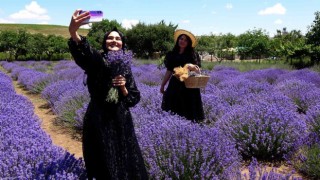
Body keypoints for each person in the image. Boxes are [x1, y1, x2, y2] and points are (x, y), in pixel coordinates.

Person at [68, 10, 148, 179]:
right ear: (105, 42)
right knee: (102, 157)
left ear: (122, 43)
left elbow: (134, 97)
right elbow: (87, 53)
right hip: (99, 117)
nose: (114, 41)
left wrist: (123, 88)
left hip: (120, 118)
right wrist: (74, 33)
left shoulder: (125, 65)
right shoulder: (98, 60)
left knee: (123, 157)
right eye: (110, 38)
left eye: (118, 38)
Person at [160, 29, 205, 123]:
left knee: (188, 110)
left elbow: (198, 71)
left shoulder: (193, 54)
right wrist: (163, 85)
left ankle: (190, 129)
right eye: (181, 39)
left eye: (185, 40)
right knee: (173, 108)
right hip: (175, 84)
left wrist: (192, 67)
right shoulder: (171, 54)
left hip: (189, 86)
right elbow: (169, 71)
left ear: (189, 43)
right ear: (178, 40)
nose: (183, 41)